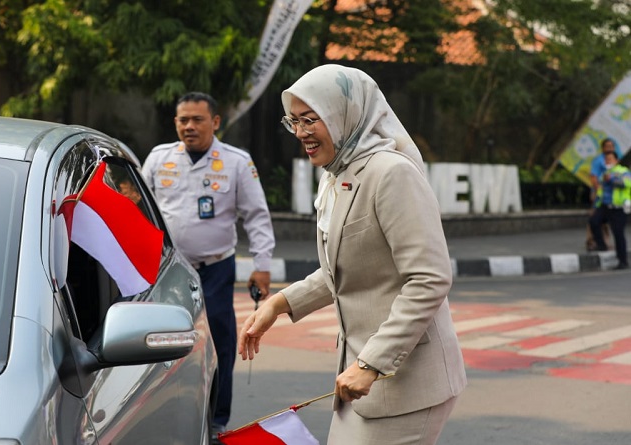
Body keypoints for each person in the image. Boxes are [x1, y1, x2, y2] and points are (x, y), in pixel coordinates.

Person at [237, 65, 466, 445]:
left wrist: (370, 364)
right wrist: (279, 303)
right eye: (293, 121)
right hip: (362, 381)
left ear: (344, 114)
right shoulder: (339, 172)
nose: (300, 133)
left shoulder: (391, 174)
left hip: (405, 381)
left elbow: (430, 278)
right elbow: (345, 267)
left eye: (310, 120)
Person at [141, 92, 275, 439]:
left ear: (215, 122)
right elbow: (142, 212)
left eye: (197, 119)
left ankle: (217, 419)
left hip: (216, 267)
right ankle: (167, 410)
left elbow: (256, 216)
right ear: (175, 123)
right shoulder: (159, 158)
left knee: (219, 341)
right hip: (169, 268)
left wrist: (262, 265)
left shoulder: (236, 162)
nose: (189, 126)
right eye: (183, 120)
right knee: (163, 340)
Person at [589, 150, 631, 269]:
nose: (608, 162)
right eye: (606, 160)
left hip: (619, 207)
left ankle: (622, 261)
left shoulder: (623, 172)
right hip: (605, 205)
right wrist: (596, 205)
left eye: (610, 159)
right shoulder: (605, 173)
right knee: (594, 221)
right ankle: (601, 245)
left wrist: (612, 180)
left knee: (618, 233)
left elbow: (627, 184)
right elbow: (601, 191)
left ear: (616, 161)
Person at [587, 138, 623, 251]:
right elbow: (594, 177)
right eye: (607, 146)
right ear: (603, 148)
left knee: (611, 225)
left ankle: (605, 243)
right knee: (594, 220)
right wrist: (597, 192)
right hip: (602, 196)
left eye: (611, 146)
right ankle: (593, 242)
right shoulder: (598, 161)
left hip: (615, 201)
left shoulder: (619, 167)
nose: (609, 148)